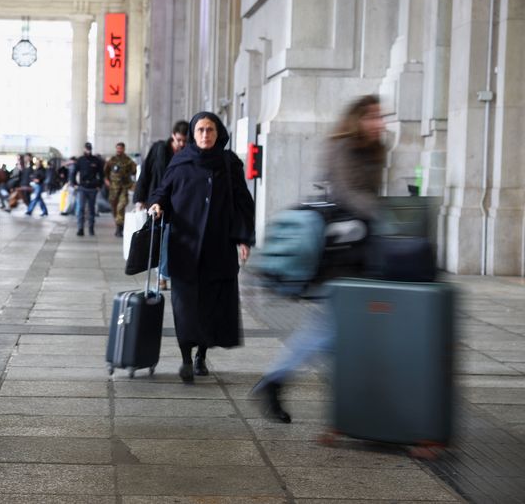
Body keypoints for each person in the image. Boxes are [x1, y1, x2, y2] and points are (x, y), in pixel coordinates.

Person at [250, 94, 387, 423]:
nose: (379, 123)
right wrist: (383, 216)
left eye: (380, 117)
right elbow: (346, 194)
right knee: (330, 328)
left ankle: (350, 401)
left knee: (334, 329)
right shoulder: (342, 147)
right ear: (357, 119)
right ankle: (279, 382)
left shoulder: (376, 150)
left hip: (359, 251)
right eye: (372, 117)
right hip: (339, 252)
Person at [147, 112, 255, 383]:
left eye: (210, 130)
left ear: (218, 133)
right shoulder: (181, 162)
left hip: (218, 248)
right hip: (185, 247)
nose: (205, 135)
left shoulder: (230, 164)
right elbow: (163, 190)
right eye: (200, 130)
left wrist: (243, 238)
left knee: (210, 306)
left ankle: (201, 357)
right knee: (184, 306)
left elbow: (243, 201)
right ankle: (185, 357)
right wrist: (157, 205)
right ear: (193, 135)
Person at [134, 120, 189, 290]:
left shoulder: (189, 154)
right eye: (179, 140)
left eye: (184, 141)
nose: (181, 144)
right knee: (161, 239)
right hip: (158, 202)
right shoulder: (159, 149)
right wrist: (140, 198)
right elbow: (146, 173)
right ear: (173, 136)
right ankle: (162, 276)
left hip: (179, 204)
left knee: (175, 240)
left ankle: (169, 274)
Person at [71, 142, 104, 236]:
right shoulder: (80, 160)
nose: (88, 150)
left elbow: (101, 174)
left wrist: (99, 185)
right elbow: (74, 172)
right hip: (82, 188)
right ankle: (80, 228)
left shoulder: (96, 160)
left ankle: (91, 228)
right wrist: (74, 184)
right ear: (84, 149)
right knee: (81, 208)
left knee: (91, 209)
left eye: (89, 149)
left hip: (93, 188)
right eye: (87, 149)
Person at [104, 142, 137, 237]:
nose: (119, 150)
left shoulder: (128, 160)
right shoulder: (111, 160)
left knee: (121, 206)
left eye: (121, 148)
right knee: (114, 208)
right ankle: (118, 223)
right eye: (117, 148)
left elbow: (134, 171)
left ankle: (119, 228)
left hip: (124, 188)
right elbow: (105, 172)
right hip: (113, 189)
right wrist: (106, 180)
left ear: (123, 149)